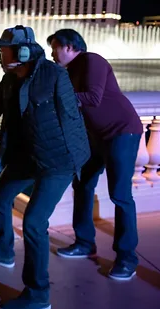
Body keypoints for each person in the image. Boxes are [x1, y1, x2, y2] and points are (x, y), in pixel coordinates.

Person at [0, 26, 90, 309]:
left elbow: (71, 117)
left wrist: (77, 159)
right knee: (0, 195)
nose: (0, 54)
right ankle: (2, 251)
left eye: (4, 49)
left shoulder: (53, 74)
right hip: (29, 156)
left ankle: (38, 295)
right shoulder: (9, 80)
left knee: (35, 222)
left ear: (22, 52)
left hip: (58, 159)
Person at [47, 29, 142, 280]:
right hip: (96, 136)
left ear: (69, 46)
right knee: (83, 184)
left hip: (122, 132)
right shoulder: (69, 71)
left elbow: (93, 97)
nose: (52, 53)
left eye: (54, 47)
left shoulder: (92, 60)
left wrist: (56, 97)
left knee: (120, 195)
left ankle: (127, 258)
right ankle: (84, 242)